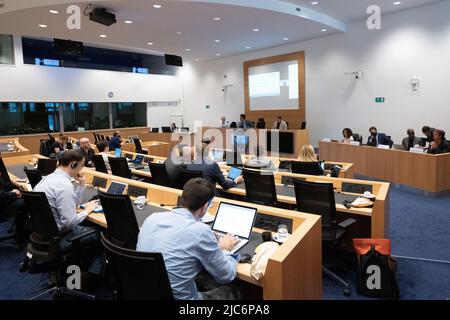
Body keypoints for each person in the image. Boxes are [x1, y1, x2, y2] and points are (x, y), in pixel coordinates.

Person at [137, 178, 241, 300]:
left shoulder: (152, 219)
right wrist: (225, 250)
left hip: (146, 291)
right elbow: (226, 275)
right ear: (206, 206)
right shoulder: (200, 231)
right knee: (232, 290)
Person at [34, 150, 99, 258]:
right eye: (81, 166)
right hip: (61, 237)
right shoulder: (64, 185)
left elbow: (73, 206)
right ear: (73, 164)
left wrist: (81, 185)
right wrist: (87, 211)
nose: (81, 170)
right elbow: (69, 223)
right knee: (101, 233)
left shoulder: (47, 179)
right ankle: (92, 273)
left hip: (44, 235)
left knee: (87, 223)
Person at [0, 172, 29, 244]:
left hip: (4, 200)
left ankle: (21, 232)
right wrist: (13, 194)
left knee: (23, 199)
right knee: (25, 203)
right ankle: (21, 236)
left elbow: (4, 185)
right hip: (2, 206)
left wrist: (17, 188)